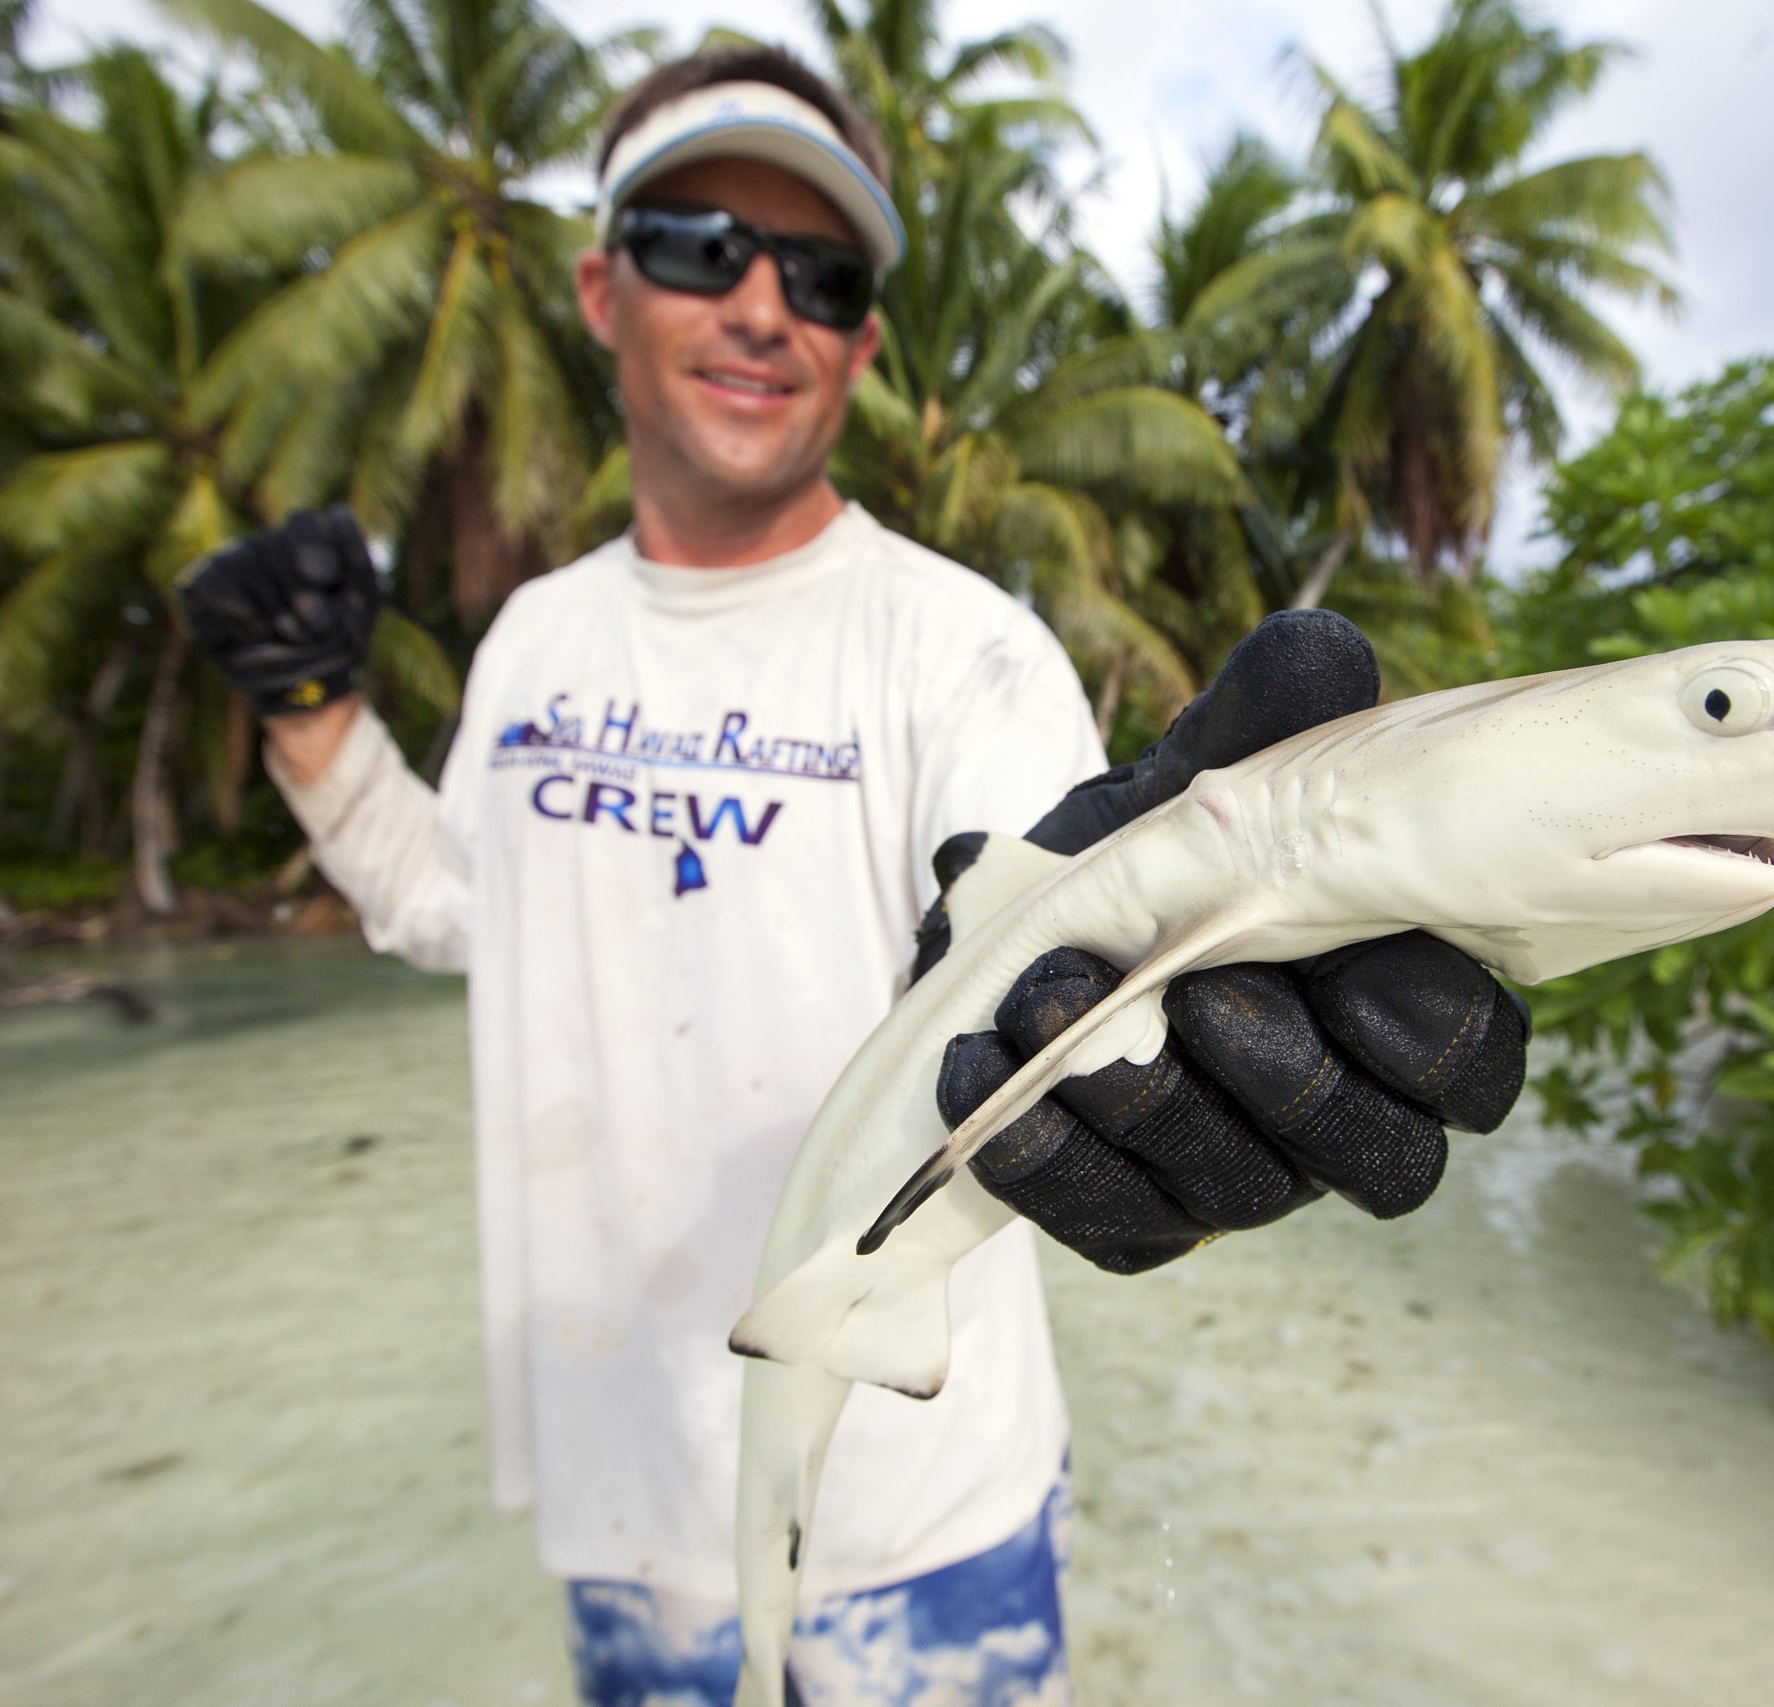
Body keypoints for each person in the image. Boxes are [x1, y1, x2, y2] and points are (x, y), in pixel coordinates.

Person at [177, 45, 1530, 1707]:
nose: (761, 305)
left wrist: (1196, 1020)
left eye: (819, 274)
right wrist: (311, 720)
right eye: (698, 246)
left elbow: (1055, 919)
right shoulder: (535, 637)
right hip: (628, 1500)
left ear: (864, 341)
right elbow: (456, 910)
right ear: (603, 290)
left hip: (926, 1512)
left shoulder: (960, 647)